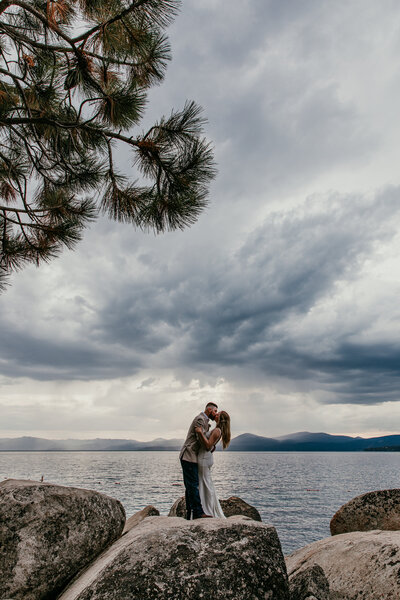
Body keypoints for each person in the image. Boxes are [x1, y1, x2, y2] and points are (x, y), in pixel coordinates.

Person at [179, 402, 218, 519]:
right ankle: (197, 513)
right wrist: (209, 446)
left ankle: (190, 513)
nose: (215, 414)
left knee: (191, 485)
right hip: (189, 455)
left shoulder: (204, 421)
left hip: (193, 456)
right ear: (209, 410)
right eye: (215, 411)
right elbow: (200, 439)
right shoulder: (200, 419)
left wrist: (211, 446)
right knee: (193, 485)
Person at [195, 411, 231, 518]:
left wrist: (200, 432)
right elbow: (211, 445)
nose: (215, 415)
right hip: (206, 457)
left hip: (204, 458)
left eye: (217, 414)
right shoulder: (217, 430)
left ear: (219, 419)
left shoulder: (217, 431)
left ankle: (208, 510)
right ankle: (206, 509)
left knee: (205, 484)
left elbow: (207, 446)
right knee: (205, 483)